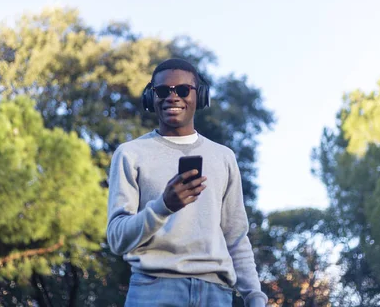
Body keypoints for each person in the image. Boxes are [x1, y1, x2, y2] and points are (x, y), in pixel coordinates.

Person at [107, 58, 268, 307]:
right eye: (162, 91)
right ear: (151, 97)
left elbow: (235, 236)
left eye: (182, 90)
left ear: (200, 97)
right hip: (152, 290)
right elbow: (117, 238)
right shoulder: (130, 154)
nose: (172, 97)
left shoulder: (223, 157)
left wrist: (254, 295)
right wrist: (163, 207)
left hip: (216, 294)